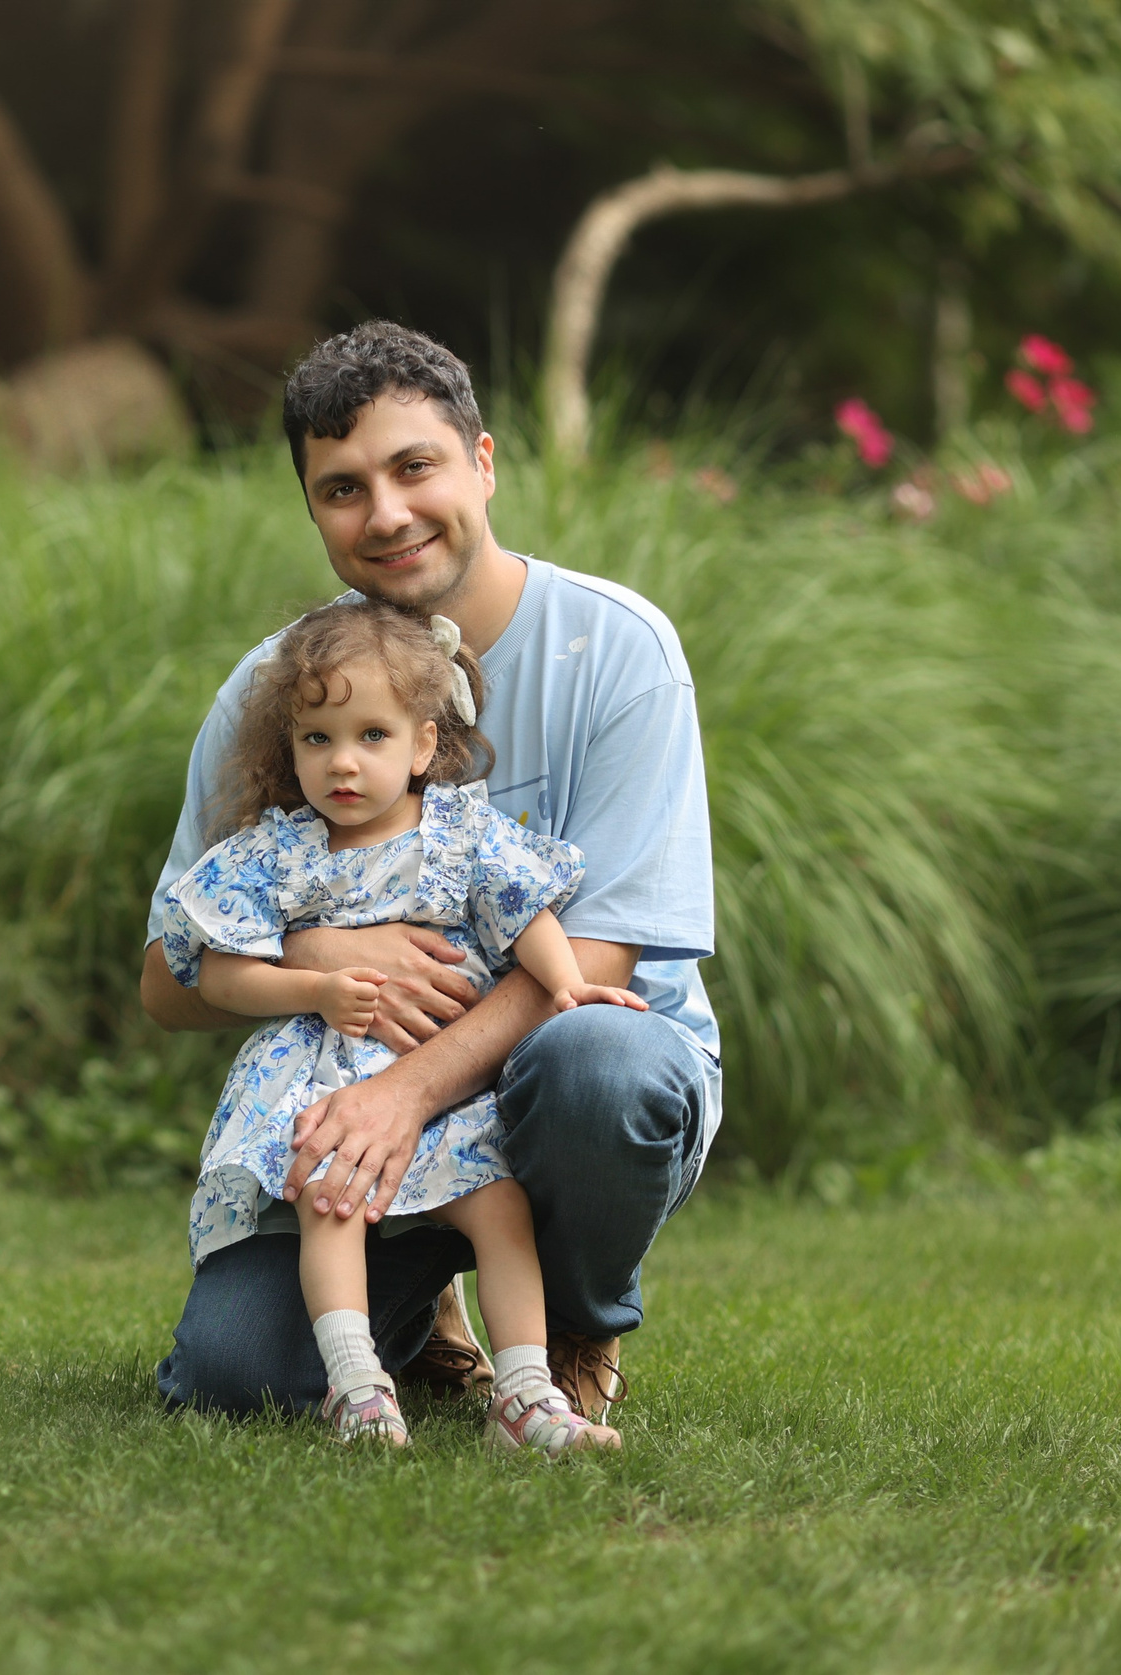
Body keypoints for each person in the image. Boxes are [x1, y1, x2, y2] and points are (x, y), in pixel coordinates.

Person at [143, 321, 722, 1422]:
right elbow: (166, 981)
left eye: (415, 468)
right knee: (233, 1381)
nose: (388, 514)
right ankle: (410, 1319)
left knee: (597, 1054)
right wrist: (313, 955)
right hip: (345, 1092)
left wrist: (400, 1094)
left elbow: (594, 954)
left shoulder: (617, 652)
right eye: (343, 488)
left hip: (566, 1075)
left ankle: (573, 1318)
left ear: (484, 462)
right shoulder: (281, 698)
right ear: (312, 508)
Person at [156, 597, 643, 1452]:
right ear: (292, 747)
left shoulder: (459, 833)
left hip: (442, 1083)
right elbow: (221, 972)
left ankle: (527, 1392)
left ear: (423, 744)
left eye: (372, 736)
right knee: (331, 1202)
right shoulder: (279, 851)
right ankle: (359, 1385)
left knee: (498, 1205)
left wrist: (568, 989)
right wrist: (313, 986)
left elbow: (524, 913)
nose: (344, 763)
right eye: (319, 739)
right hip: (324, 1079)